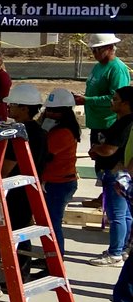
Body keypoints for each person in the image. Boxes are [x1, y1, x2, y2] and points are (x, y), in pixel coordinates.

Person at [0, 84, 50, 297]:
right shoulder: (41, 133)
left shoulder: (19, 134)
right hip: (30, 193)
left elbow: (6, 167)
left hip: (13, 194)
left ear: (25, 108)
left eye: (14, 105)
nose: (9, 108)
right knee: (22, 234)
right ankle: (19, 278)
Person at [75, 34, 130, 208]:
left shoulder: (117, 69)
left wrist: (88, 100)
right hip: (97, 123)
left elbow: (116, 98)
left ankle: (113, 197)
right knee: (99, 162)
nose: (94, 53)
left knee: (109, 163)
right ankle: (105, 194)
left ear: (109, 48)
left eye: (97, 49)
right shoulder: (99, 67)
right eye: (92, 50)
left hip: (110, 124)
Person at [89, 86, 133, 266]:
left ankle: (115, 253)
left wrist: (96, 149)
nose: (111, 102)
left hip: (117, 174)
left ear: (126, 104)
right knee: (126, 215)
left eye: (115, 99)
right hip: (123, 174)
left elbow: (109, 149)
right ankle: (123, 249)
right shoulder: (123, 121)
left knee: (117, 216)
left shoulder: (125, 124)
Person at [40, 88, 81, 253]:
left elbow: (45, 154)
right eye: (47, 110)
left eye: (53, 111)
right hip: (53, 181)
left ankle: (55, 259)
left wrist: (43, 132)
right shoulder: (55, 130)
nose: (48, 114)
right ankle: (50, 257)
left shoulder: (63, 132)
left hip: (60, 184)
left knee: (53, 223)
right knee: (49, 222)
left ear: (64, 112)